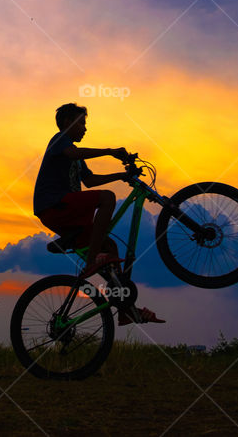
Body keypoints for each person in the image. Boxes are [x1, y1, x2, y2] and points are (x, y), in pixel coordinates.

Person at [32, 102, 164, 325]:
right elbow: (73, 153)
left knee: (110, 247)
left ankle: (125, 309)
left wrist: (121, 176)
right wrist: (110, 152)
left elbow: (90, 180)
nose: (85, 128)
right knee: (107, 198)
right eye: (82, 123)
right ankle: (92, 259)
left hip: (68, 212)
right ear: (67, 122)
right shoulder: (59, 141)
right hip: (54, 206)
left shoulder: (76, 157)